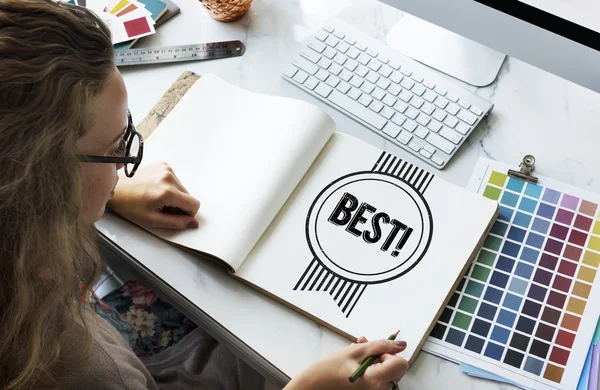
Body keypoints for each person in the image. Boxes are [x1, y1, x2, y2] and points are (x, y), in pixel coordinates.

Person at [0, 0, 409, 389]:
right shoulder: (87, 374)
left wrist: (111, 190)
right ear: (42, 185)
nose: (128, 161)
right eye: (112, 149)